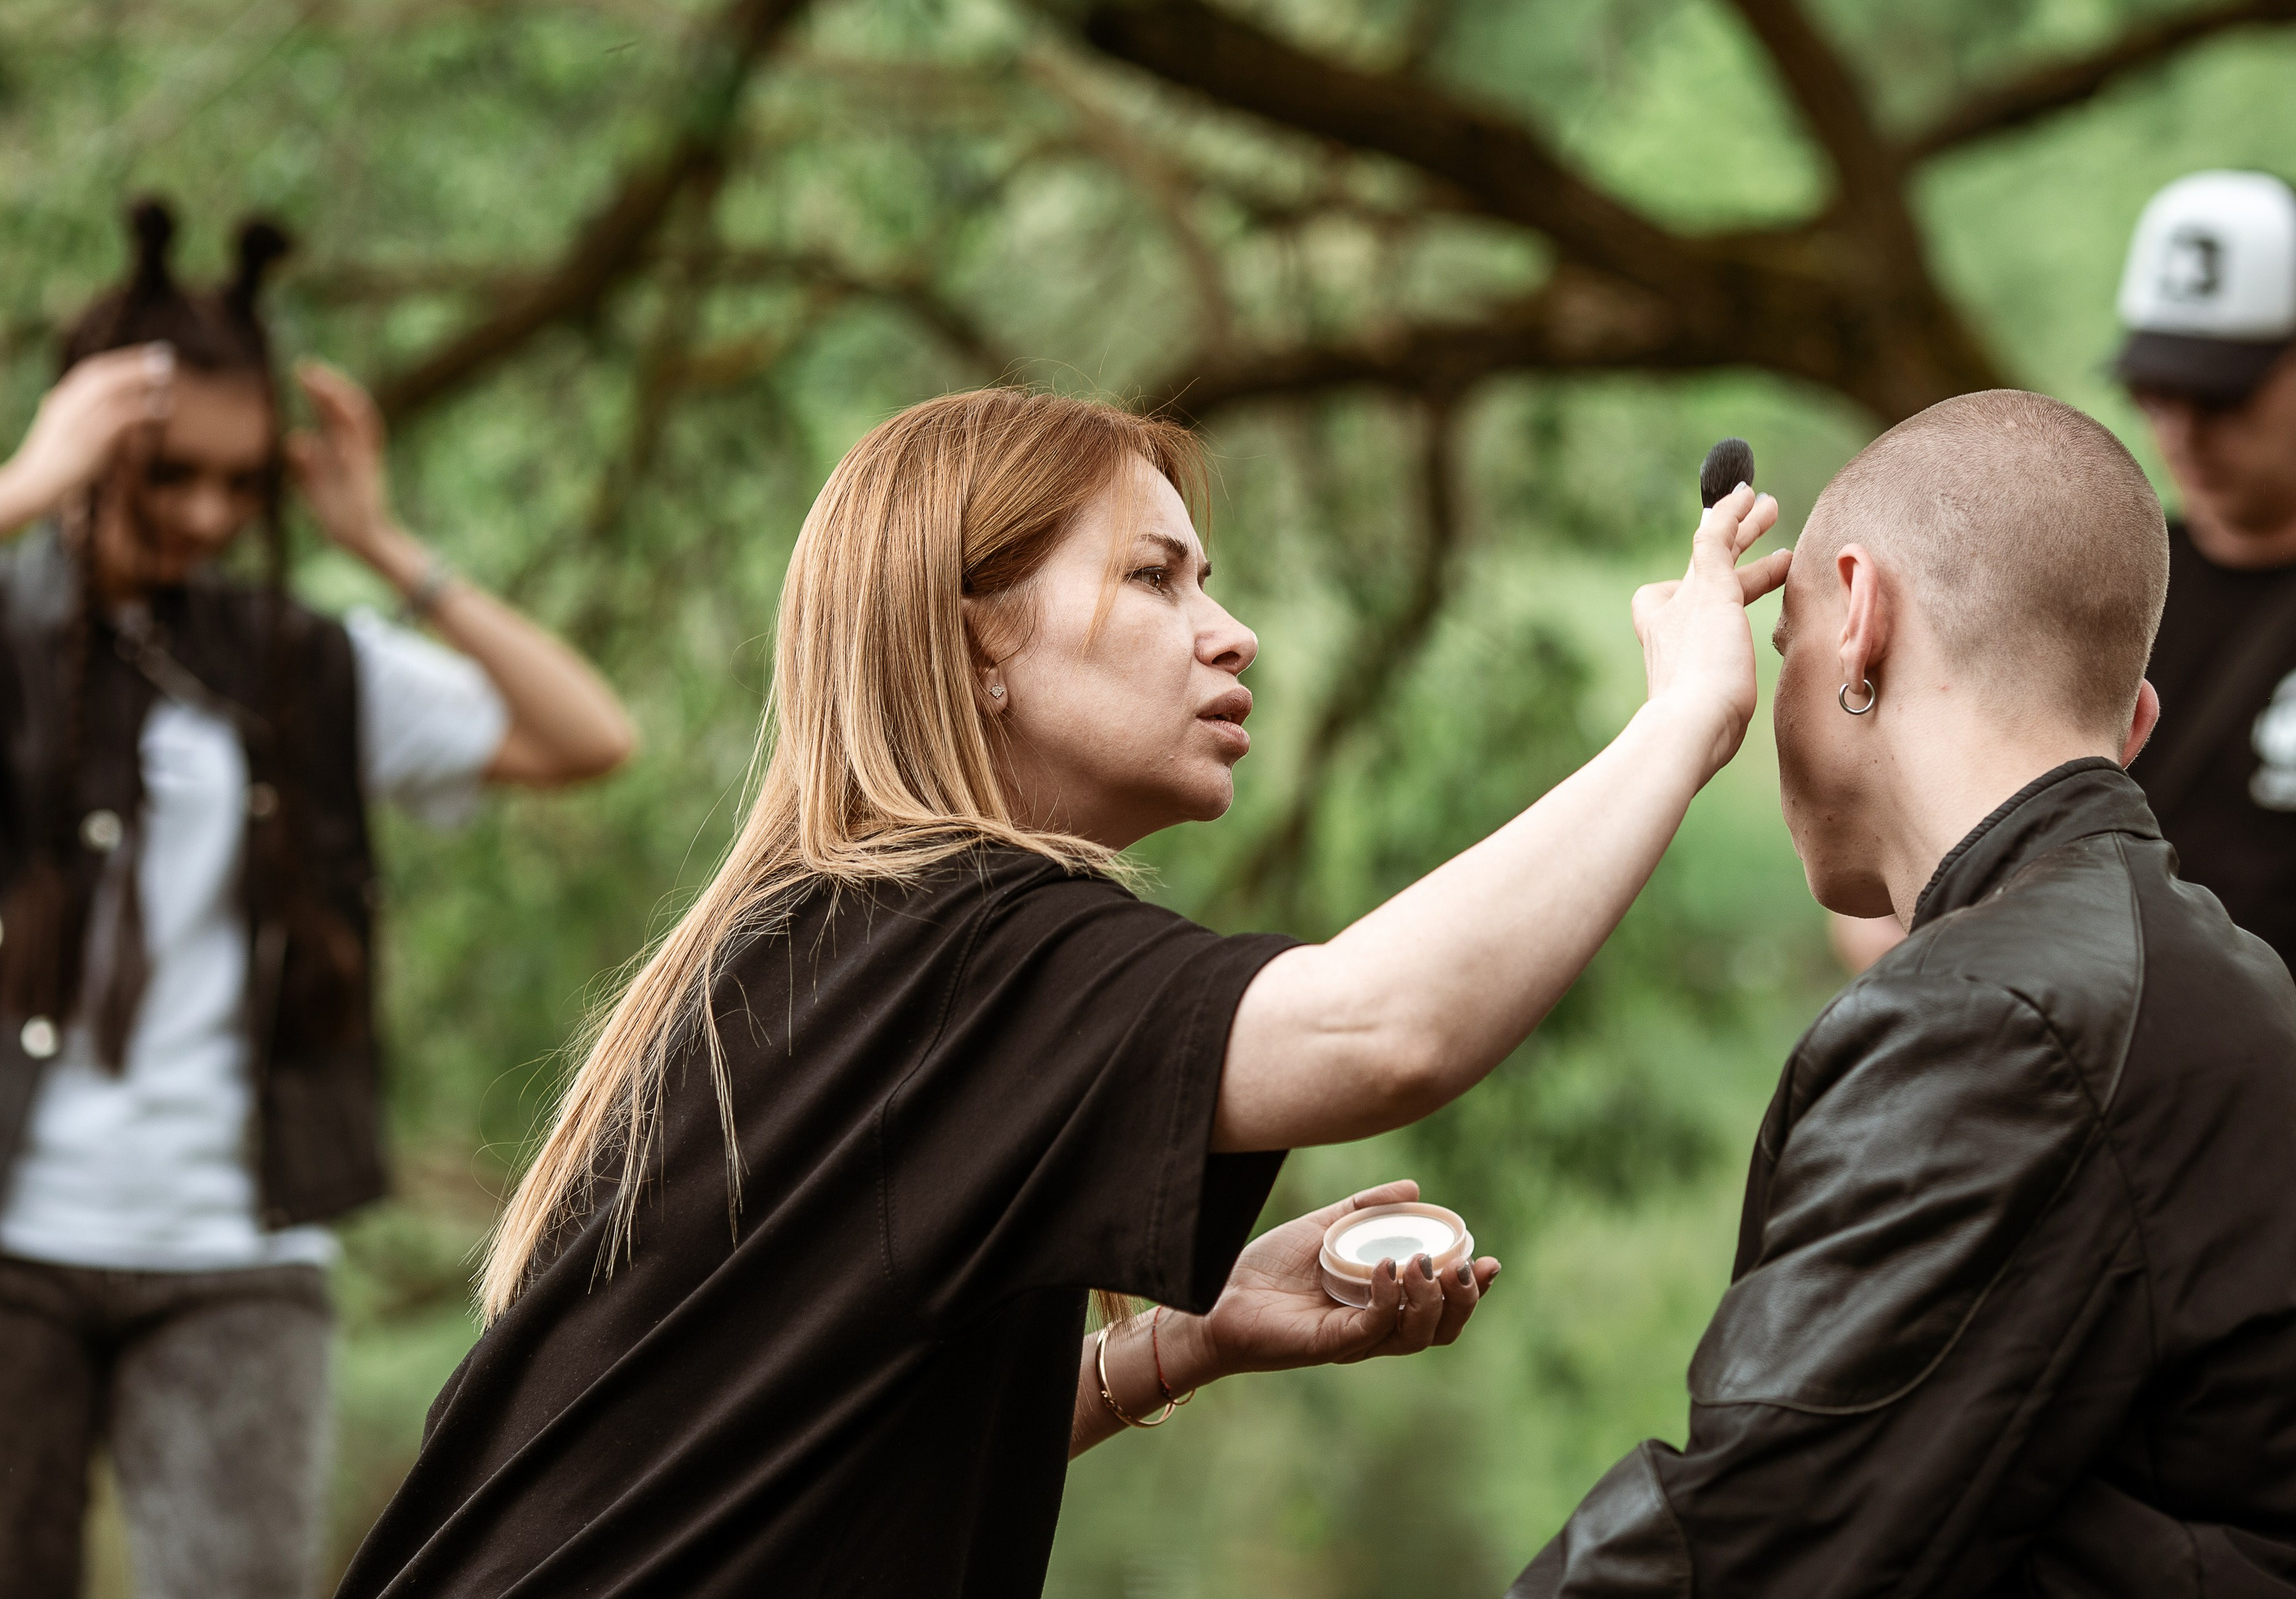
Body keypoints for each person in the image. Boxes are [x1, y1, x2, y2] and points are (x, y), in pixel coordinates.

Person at [331, 384, 1789, 1598]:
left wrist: (1189, 1339)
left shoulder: (846, 939)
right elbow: (1380, 1026)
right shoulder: (953, 944)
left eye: (1205, 578)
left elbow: (804, 1433)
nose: (1231, 631)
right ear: (980, 642)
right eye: (1155, 576)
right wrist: (1681, 720)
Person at [1517, 391, 2296, 1595]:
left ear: (1860, 619)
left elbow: (1749, 1548)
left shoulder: (2007, 1021)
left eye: (1785, 650)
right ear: (2131, 728)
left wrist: (1671, 722)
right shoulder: (2215, 985)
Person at [0, 202, 636, 1599]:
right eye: (167, 473)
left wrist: (391, 544)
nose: (210, 516)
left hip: (241, 1248)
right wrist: (26, 481)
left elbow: (589, 734)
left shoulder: (306, 662)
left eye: (243, 485)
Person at [1838, 173, 2296, 1356]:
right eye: (2159, 388)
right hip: (2064, 1251)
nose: (2182, 428)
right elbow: (1897, 859)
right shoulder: (2081, 593)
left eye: (2224, 392)